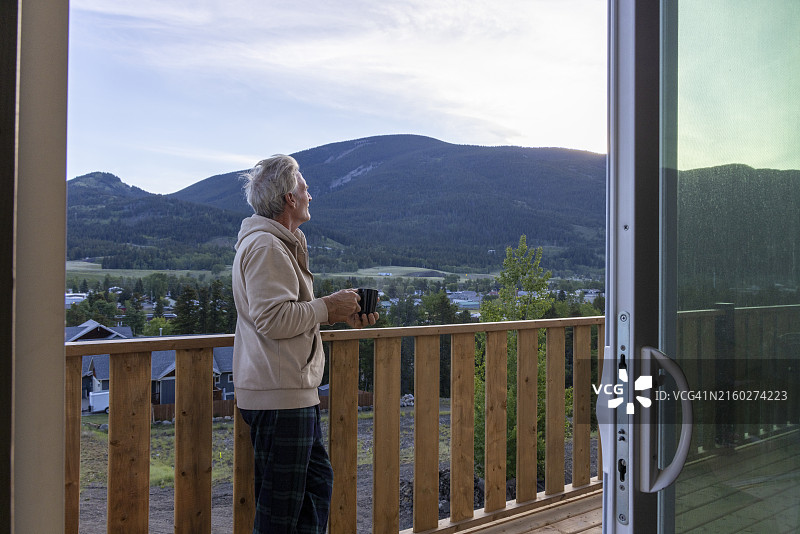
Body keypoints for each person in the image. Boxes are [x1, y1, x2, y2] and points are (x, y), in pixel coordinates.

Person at [232, 154, 378, 533]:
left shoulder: (279, 244)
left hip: (290, 391)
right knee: (281, 515)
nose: (310, 196)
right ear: (289, 198)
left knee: (313, 489)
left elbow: (289, 314)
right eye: (305, 188)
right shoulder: (267, 247)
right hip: (279, 396)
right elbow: (272, 319)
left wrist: (338, 313)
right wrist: (328, 307)